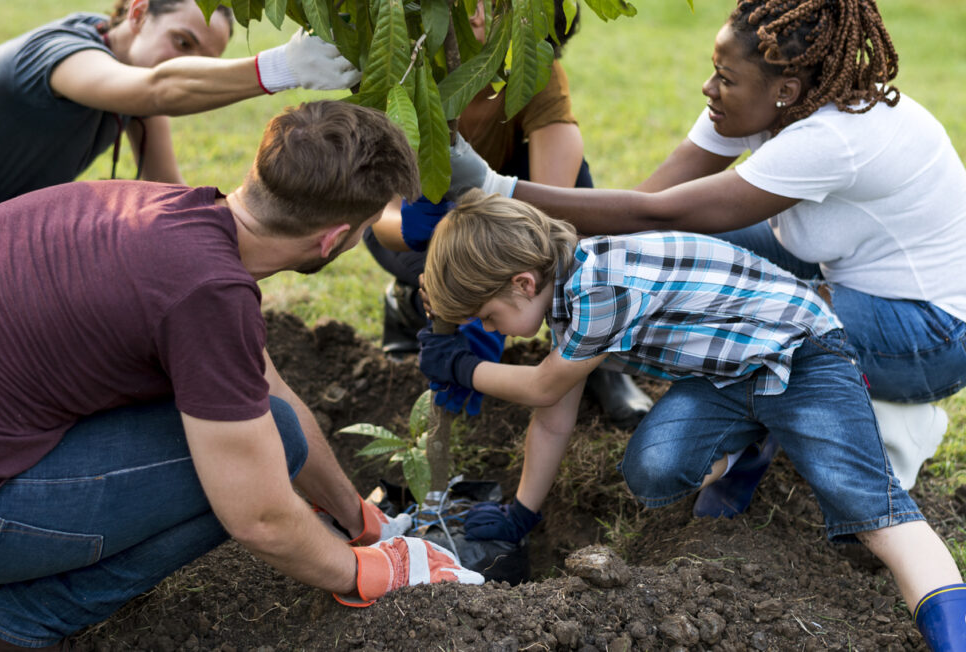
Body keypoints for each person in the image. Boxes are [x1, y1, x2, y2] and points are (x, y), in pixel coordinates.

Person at [0, 101, 484, 651]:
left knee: (270, 432)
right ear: (332, 239)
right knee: (254, 463)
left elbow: (264, 384)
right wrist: (370, 571)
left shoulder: (172, 213)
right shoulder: (207, 294)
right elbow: (260, 519)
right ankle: (7, 632)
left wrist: (359, 519)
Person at [446, 0, 966, 491]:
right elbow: (649, 210)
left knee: (681, 434)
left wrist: (497, 188)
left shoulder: (833, 137)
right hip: (841, 277)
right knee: (664, 264)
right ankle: (789, 391)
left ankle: (878, 413)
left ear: (784, 88)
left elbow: (659, 211)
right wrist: (532, 265)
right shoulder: (756, 101)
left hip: (931, 333)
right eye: (716, 70)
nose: (708, 87)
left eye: (725, 79)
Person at [416, 190, 966, 650]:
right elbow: (552, 415)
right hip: (725, 376)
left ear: (522, 283)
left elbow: (541, 384)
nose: (501, 331)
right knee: (651, 470)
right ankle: (756, 438)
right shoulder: (571, 307)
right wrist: (520, 516)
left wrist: (464, 367)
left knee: (874, 515)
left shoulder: (598, 285)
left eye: (489, 316)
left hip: (801, 355)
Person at [365, 0, 653, 426]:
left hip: (509, 222)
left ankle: (597, 359)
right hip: (422, 227)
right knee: (440, 272)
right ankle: (410, 304)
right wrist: (416, 230)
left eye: (492, 2)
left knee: (578, 197)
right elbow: (375, 217)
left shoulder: (529, 63)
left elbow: (555, 203)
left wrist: (497, 272)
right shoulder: (401, 70)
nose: (477, 13)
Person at [0, 0, 360, 236]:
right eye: (182, 42)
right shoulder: (64, 54)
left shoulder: (130, 75)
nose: (191, 66)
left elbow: (168, 191)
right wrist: (282, 68)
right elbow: (158, 88)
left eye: (205, 61)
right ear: (139, 13)